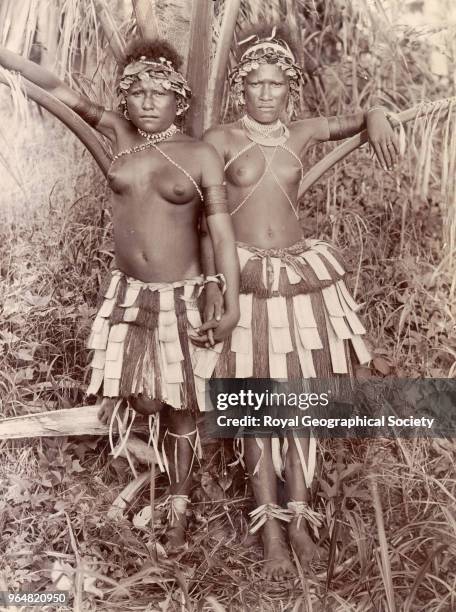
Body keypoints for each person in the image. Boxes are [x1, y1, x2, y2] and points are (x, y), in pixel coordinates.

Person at [0, 39, 240, 547]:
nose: (148, 101)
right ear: (125, 99)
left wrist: (228, 297)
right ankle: (153, 461)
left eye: (160, 92)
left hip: (183, 296)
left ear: (182, 99)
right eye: (138, 92)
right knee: (148, 400)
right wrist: (6, 59)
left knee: (180, 407)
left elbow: (220, 231)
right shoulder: (119, 135)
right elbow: (58, 88)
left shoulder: (201, 154)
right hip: (130, 297)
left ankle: (178, 506)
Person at [194, 26, 399, 579]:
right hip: (245, 278)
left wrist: (376, 112)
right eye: (255, 83)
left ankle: (301, 520)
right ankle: (270, 530)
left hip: (298, 279)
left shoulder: (303, 132)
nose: (265, 93)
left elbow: (355, 120)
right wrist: (216, 283)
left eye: (276, 84)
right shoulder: (218, 140)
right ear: (240, 88)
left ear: (291, 89)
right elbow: (203, 219)